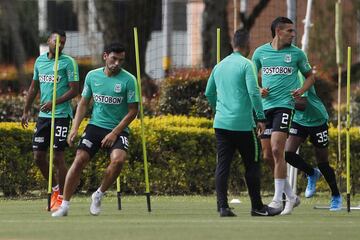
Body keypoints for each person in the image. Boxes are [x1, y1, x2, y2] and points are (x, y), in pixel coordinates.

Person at [52, 42, 139, 217]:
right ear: (105, 56)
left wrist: (114, 133)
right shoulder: (92, 76)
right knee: (79, 160)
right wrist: (74, 128)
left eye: (121, 60)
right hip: (95, 127)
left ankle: (98, 194)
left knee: (119, 160)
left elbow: (133, 111)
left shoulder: (129, 80)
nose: (117, 63)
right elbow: (83, 103)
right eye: (114, 59)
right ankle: (64, 205)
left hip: (118, 129)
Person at [205, 29, 281, 217]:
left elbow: (209, 93)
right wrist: (261, 117)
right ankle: (257, 207)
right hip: (243, 126)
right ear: (247, 45)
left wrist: (218, 109)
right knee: (253, 164)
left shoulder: (219, 66)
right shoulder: (247, 65)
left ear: (233, 44)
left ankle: (223, 207)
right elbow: (254, 92)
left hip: (221, 124)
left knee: (223, 165)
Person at [252, 17, 315, 215]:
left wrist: (301, 90)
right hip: (265, 108)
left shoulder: (297, 54)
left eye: (293, 31)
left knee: (278, 149)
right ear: (278, 32)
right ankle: (291, 196)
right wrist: (259, 88)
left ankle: (277, 200)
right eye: (289, 31)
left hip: (285, 107)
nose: (292, 34)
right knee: (267, 155)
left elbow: (311, 76)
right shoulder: (260, 53)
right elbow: (251, 77)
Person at [21, 30, 79, 211]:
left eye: (63, 42)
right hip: (43, 118)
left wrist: (55, 102)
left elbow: (74, 90)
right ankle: (54, 189)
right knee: (38, 157)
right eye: (57, 41)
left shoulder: (68, 63)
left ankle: (61, 197)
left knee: (58, 157)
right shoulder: (40, 61)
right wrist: (25, 111)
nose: (60, 44)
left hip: (61, 116)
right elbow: (33, 88)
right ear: (49, 41)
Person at [285, 73, 342, 211]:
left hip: (317, 120)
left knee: (322, 162)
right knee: (287, 153)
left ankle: (336, 196)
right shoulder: (281, 76)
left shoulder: (299, 75)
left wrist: (281, 102)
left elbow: (301, 104)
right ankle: (311, 173)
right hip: (299, 121)